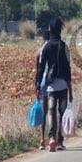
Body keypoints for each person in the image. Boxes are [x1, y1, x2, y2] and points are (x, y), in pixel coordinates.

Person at [35, 19, 73, 152]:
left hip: (50, 86)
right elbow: (68, 68)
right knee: (61, 113)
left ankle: (51, 138)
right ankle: (60, 141)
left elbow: (40, 68)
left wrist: (38, 85)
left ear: (50, 30)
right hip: (63, 85)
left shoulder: (45, 47)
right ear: (60, 30)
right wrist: (70, 88)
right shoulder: (64, 46)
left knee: (51, 112)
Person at [34, 29, 51, 149]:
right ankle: (53, 137)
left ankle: (42, 139)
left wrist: (37, 85)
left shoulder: (39, 52)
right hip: (54, 83)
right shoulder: (54, 50)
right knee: (54, 111)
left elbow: (38, 71)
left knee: (44, 112)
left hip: (43, 83)